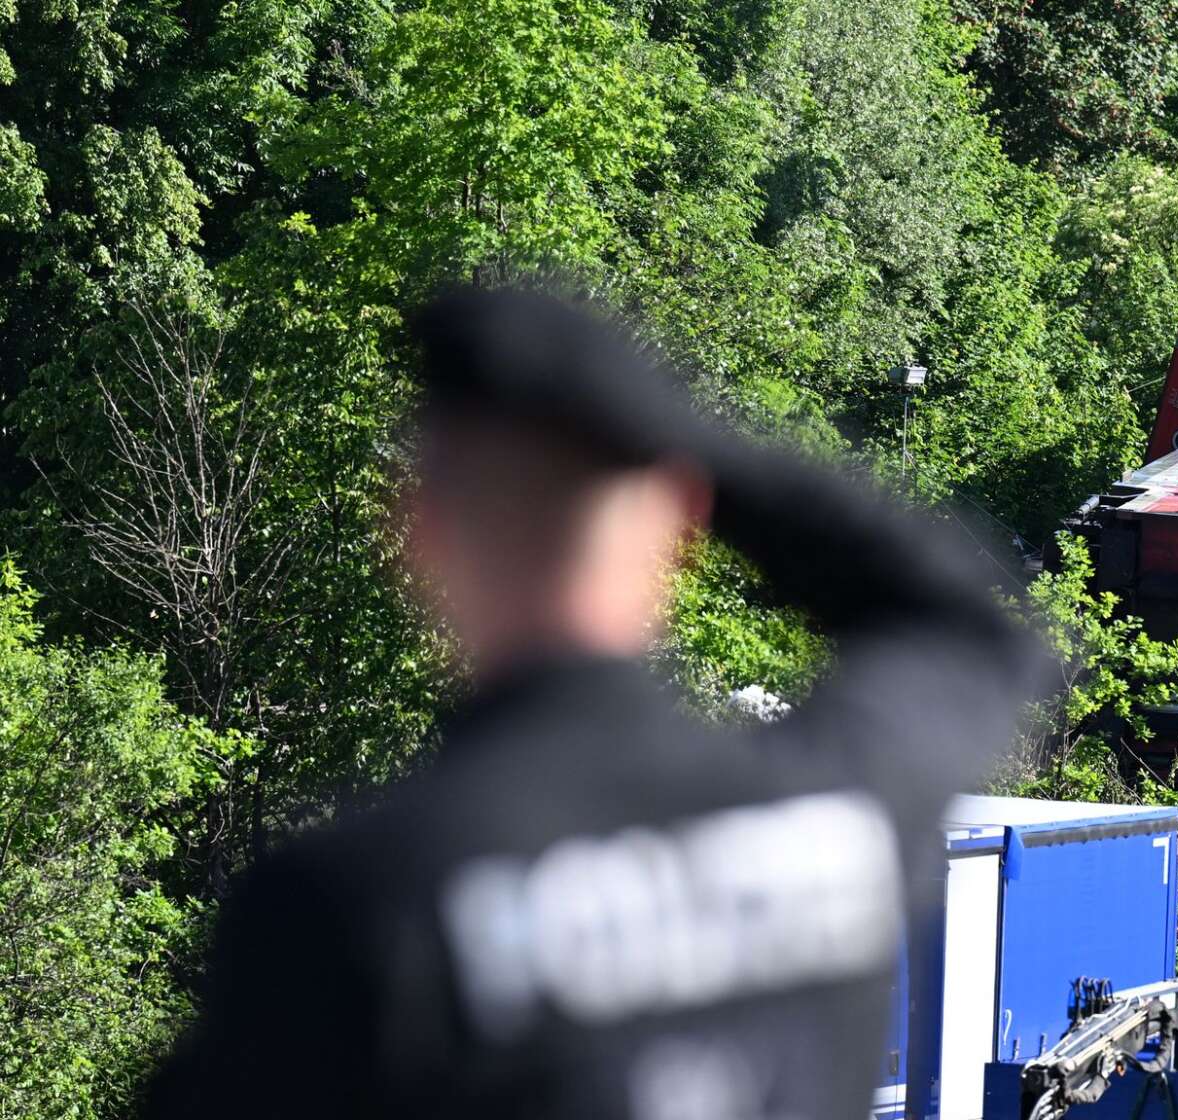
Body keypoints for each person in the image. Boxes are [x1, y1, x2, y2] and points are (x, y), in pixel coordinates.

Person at [146, 287, 1046, 1120]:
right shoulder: (842, 807)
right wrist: (697, 451)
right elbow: (967, 623)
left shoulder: (355, 908)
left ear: (418, 534)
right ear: (681, 519)